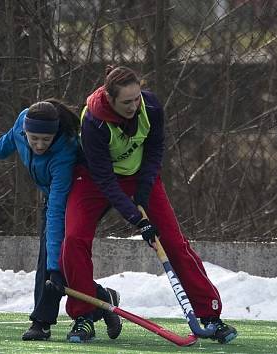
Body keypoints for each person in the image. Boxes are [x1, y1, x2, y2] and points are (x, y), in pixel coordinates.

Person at [60, 66, 237, 344]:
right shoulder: (93, 120)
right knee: (73, 239)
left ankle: (210, 315)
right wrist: (136, 218)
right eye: (126, 102)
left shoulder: (151, 106)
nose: (134, 105)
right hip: (95, 179)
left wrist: (143, 191)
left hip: (140, 176)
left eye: (136, 98)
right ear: (110, 98)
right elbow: (105, 179)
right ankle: (83, 316)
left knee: (175, 243)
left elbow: (155, 150)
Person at [0, 99, 122, 341]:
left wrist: (53, 267)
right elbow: (12, 137)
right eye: (34, 139)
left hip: (76, 194)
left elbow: (55, 212)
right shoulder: (22, 121)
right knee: (61, 263)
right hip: (53, 194)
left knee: (52, 259)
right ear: (26, 130)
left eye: (46, 139)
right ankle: (103, 299)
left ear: (55, 135)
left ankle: (41, 322)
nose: (40, 145)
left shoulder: (64, 152)